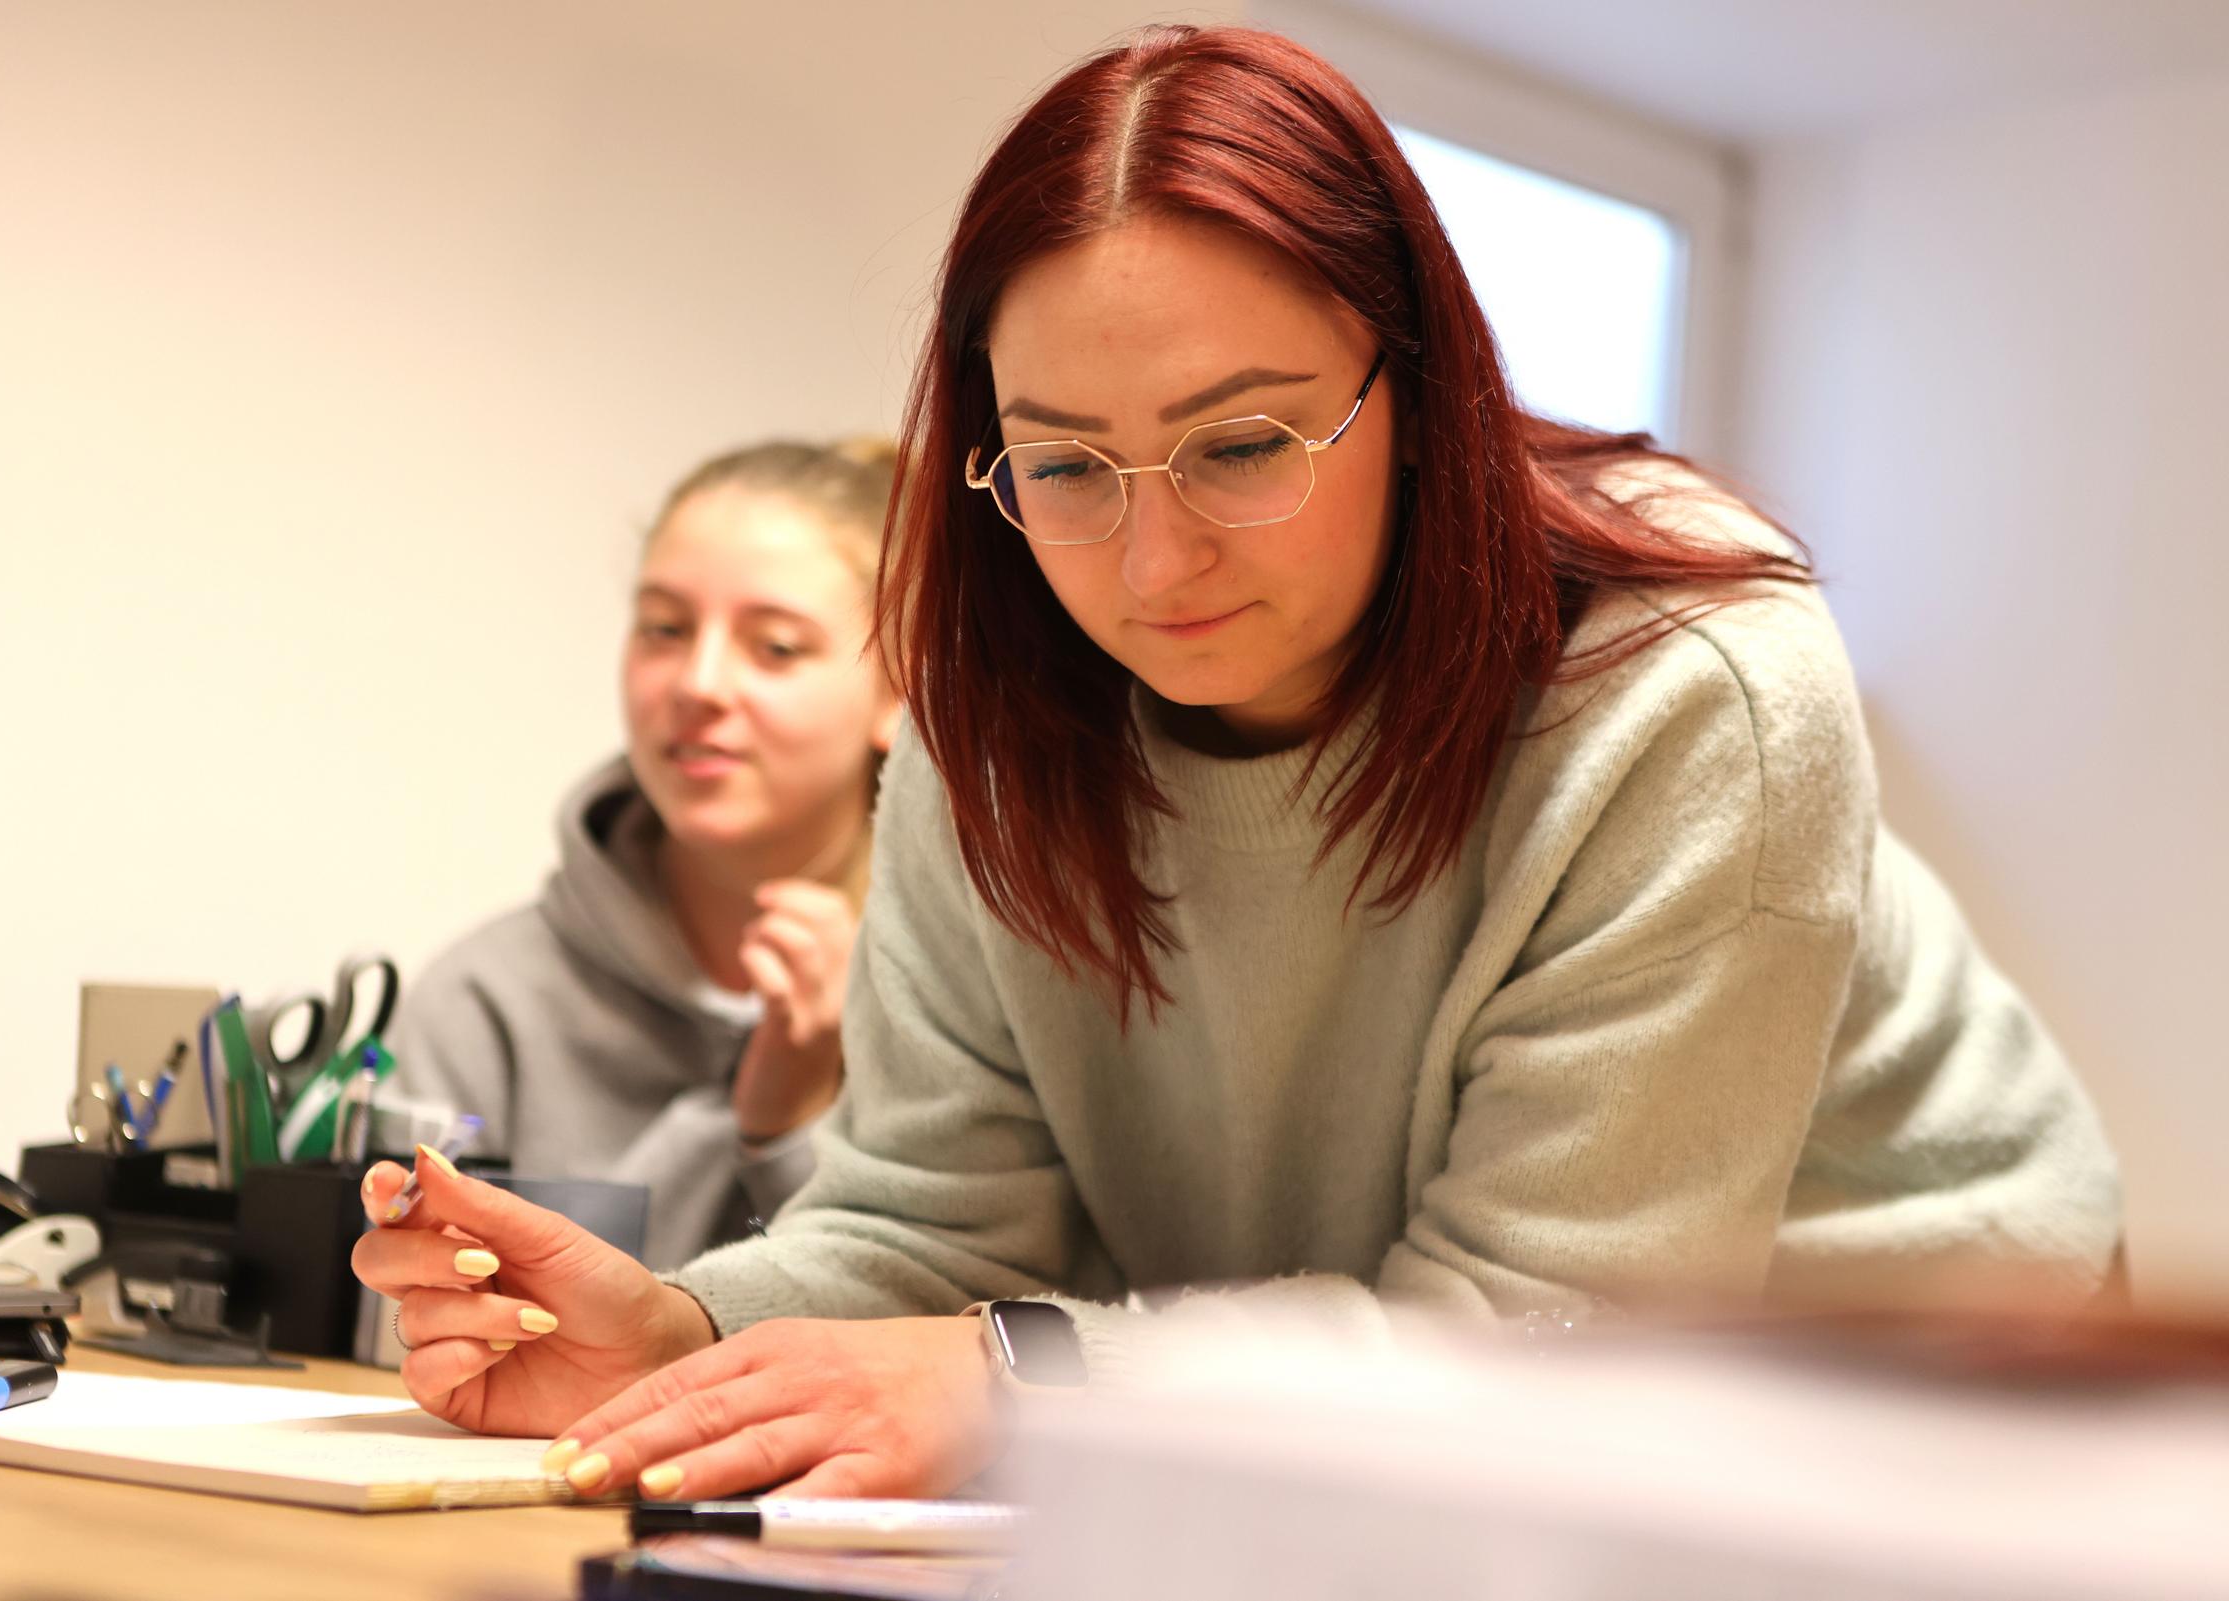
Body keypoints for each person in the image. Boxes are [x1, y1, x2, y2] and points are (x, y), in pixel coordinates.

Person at [352, 26, 2121, 1502]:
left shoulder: (1692, 689)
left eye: (1245, 443)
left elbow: (1555, 1340)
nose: (1153, 563)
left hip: (1914, 1409)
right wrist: (684, 1338)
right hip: (1373, 1428)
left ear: (1415, 391)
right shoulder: (1000, 716)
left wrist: (1023, 1376)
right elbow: (940, 1224)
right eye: (1064, 465)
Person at [387, 440, 901, 1269]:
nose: (698, 683)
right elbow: (405, 1317)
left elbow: (959, 1319)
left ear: (899, 687)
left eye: (775, 646)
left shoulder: (965, 998)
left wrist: (793, 1123)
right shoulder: (484, 1001)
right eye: (664, 628)